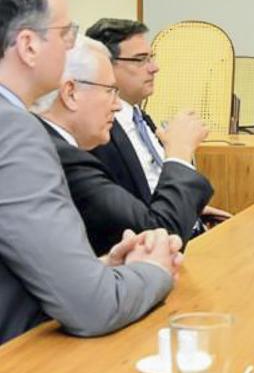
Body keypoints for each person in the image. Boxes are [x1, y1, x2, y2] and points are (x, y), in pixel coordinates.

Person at [0, 0, 182, 344]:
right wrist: (154, 270)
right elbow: (93, 308)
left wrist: (100, 271)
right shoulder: (14, 131)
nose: (72, 47)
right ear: (28, 46)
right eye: (66, 34)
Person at [36, 36, 213, 255]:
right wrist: (179, 154)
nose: (118, 106)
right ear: (70, 93)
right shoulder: (61, 157)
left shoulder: (48, 142)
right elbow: (158, 238)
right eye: (110, 90)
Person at [85, 18, 230, 228]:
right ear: (105, 65)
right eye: (140, 60)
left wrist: (191, 211)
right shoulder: (98, 132)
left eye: (151, 58)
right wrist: (179, 153)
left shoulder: (142, 119)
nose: (154, 68)